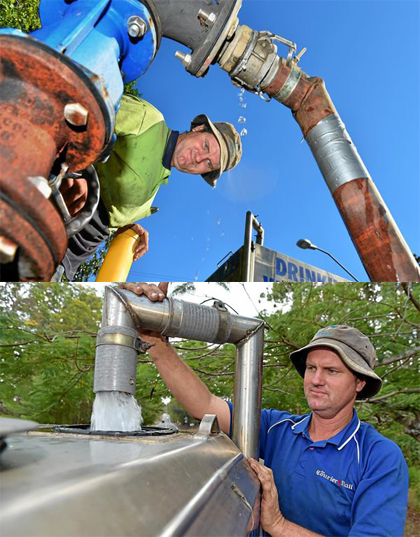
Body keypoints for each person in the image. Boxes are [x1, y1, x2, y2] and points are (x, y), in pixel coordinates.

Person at [121, 282, 409, 537]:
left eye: (332, 371)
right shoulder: (277, 428)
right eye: (311, 368)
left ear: (359, 383)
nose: (316, 380)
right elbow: (206, 405)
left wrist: (279, 525)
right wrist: (157, 344)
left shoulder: (379, 457)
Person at [56, 95, 242, 280]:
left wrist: (126, 228)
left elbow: (108, 210)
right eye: (206, 145)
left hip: (65, 260)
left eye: (208, 164)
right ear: (199, 128)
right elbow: (79, 110)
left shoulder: (156, 188)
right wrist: (72, 169)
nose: (199, 158)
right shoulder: (148, 121)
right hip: (49, 220)